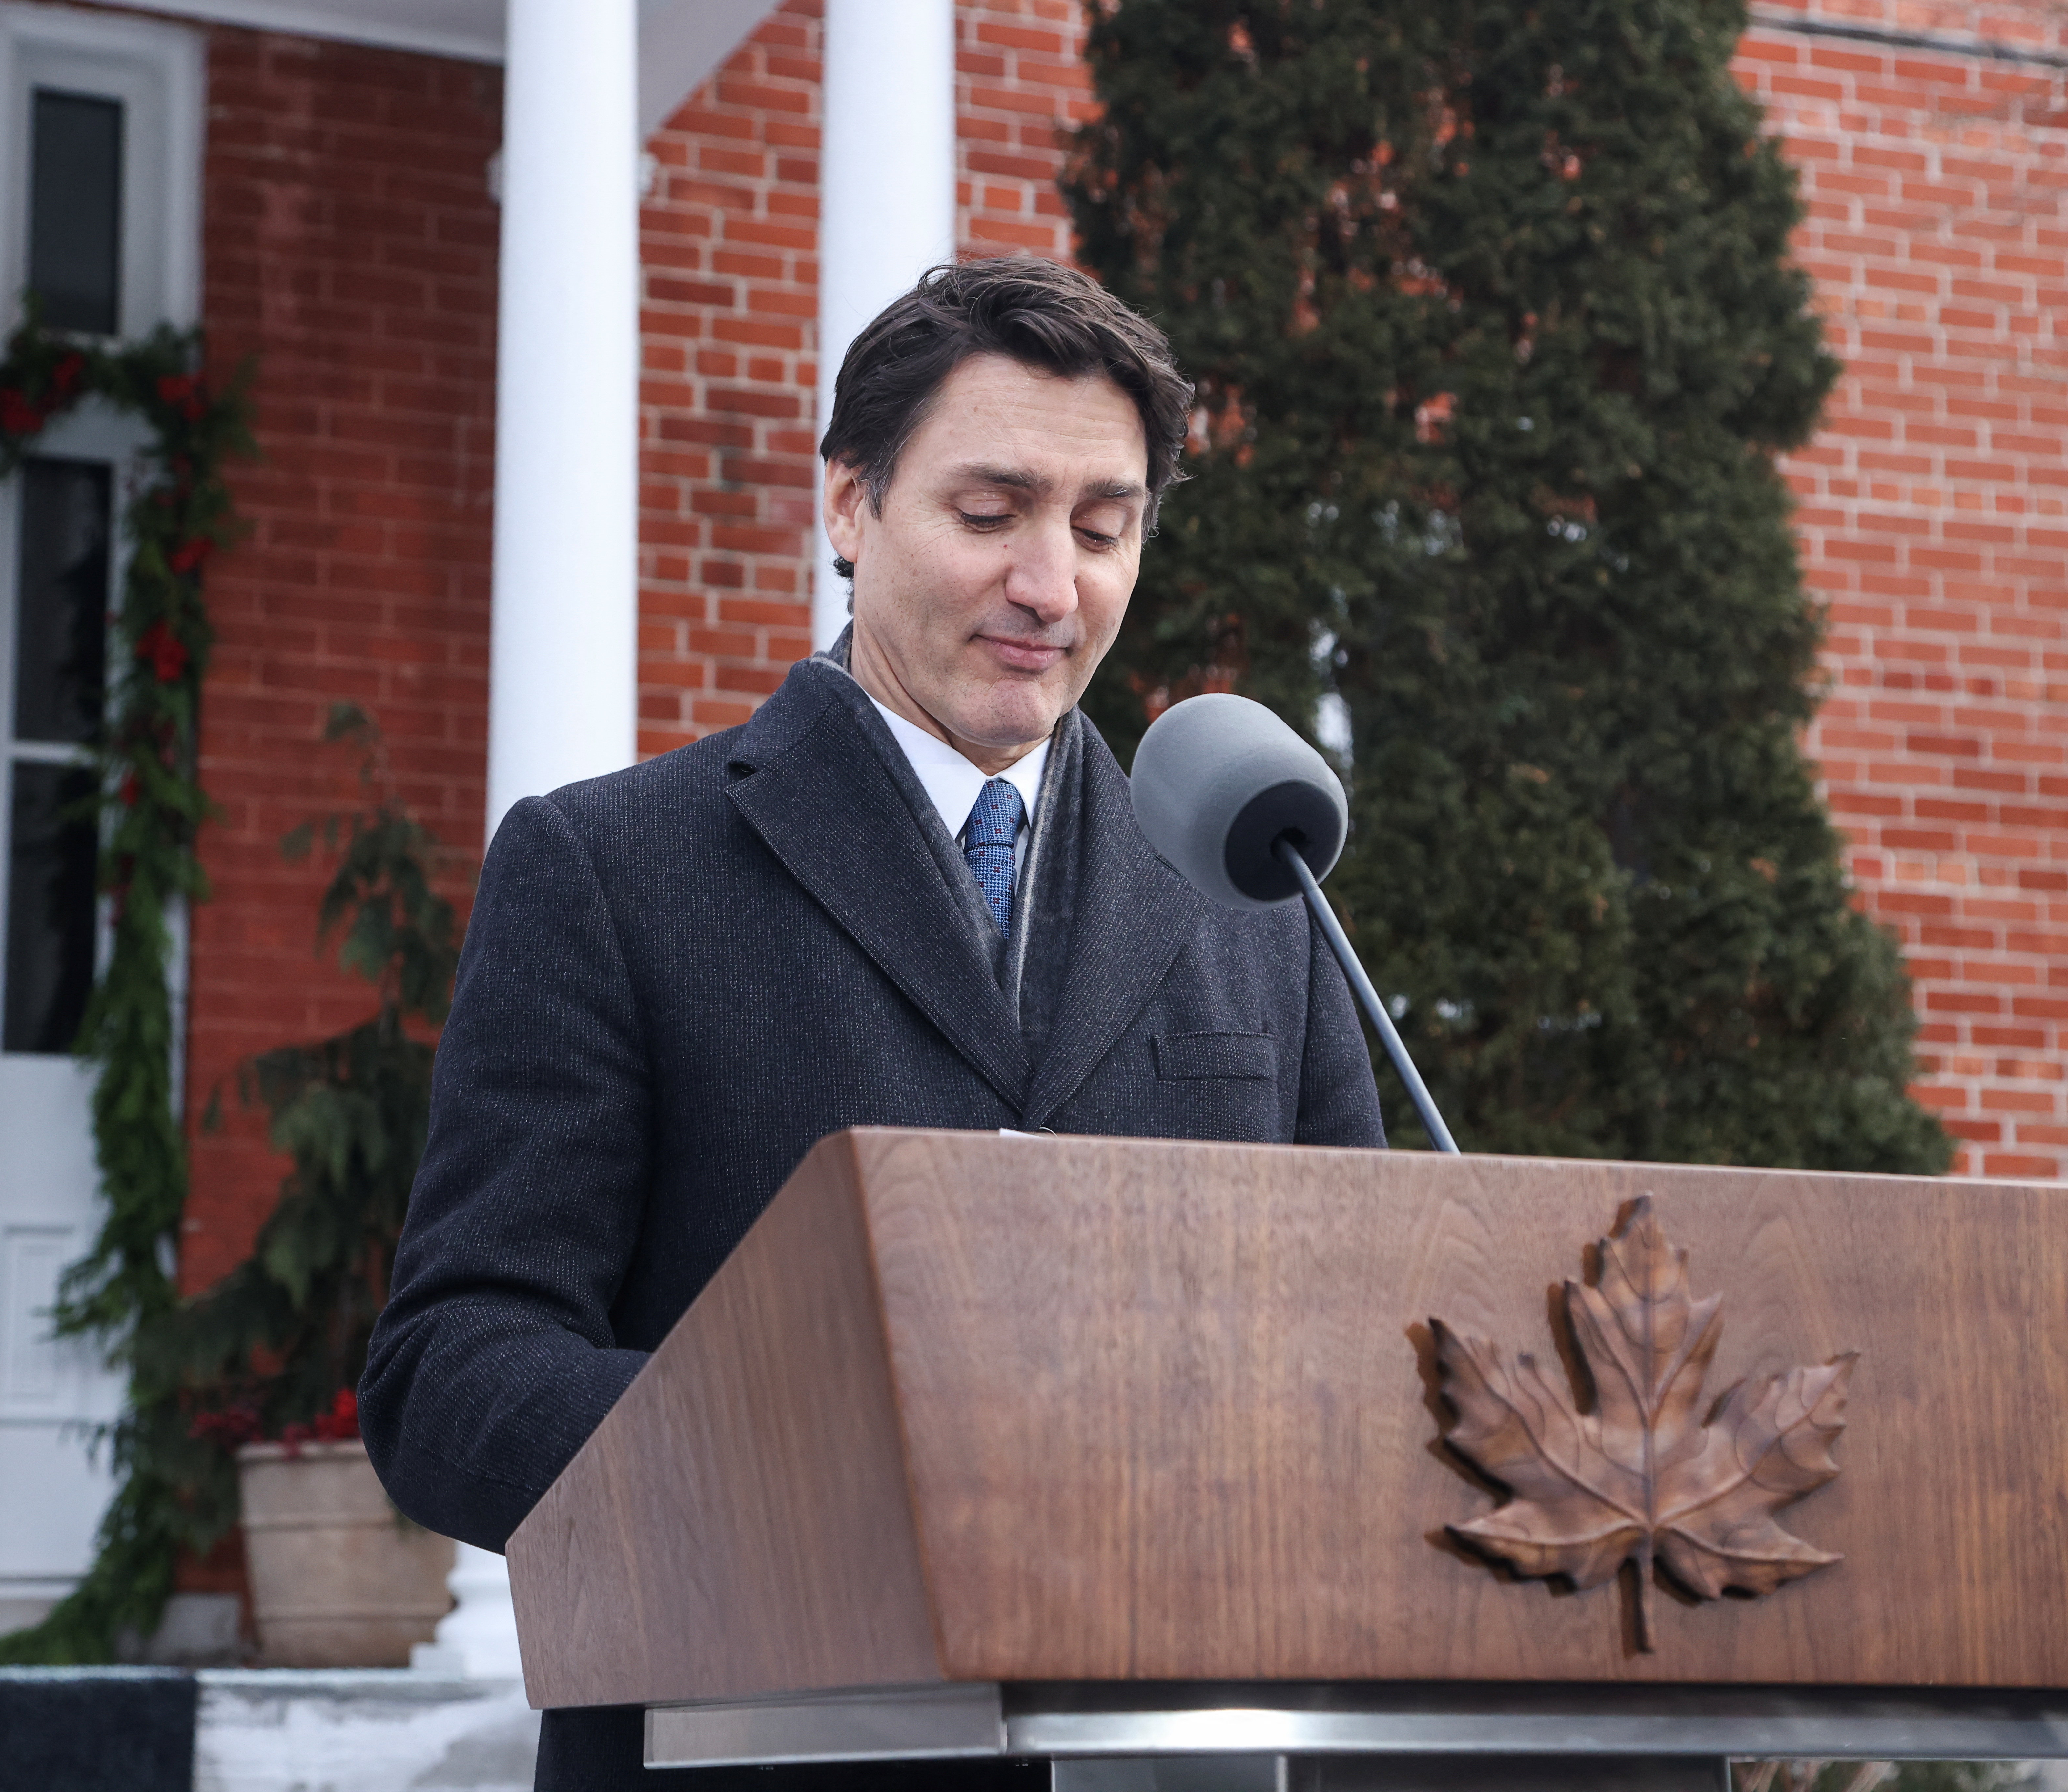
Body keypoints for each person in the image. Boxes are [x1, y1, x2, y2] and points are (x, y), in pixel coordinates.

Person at [359, 255, 1386, 1792]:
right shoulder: (607, 868)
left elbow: (1367, 1348)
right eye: (990, 516)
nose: (1051, 586)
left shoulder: (1253, 894)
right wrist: (833, 1451)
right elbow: (451, 1373)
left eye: (1102, 530)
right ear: (849, 506)